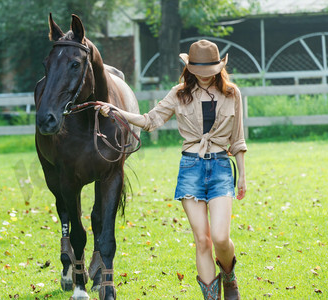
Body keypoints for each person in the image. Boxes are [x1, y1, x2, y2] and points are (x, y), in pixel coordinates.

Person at [96, 39, 247, 300]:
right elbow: (149, 120)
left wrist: (242, 175)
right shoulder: (178, 94)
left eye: (210, 72)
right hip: (190, 168)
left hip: (222, 167)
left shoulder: (232, 94)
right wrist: (117, 111)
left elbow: (238, 139)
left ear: (218, 69)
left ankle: (229, 277)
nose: (205, 77)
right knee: (203, 240)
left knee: (221, 238)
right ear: (190, 69)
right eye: (200, 72)